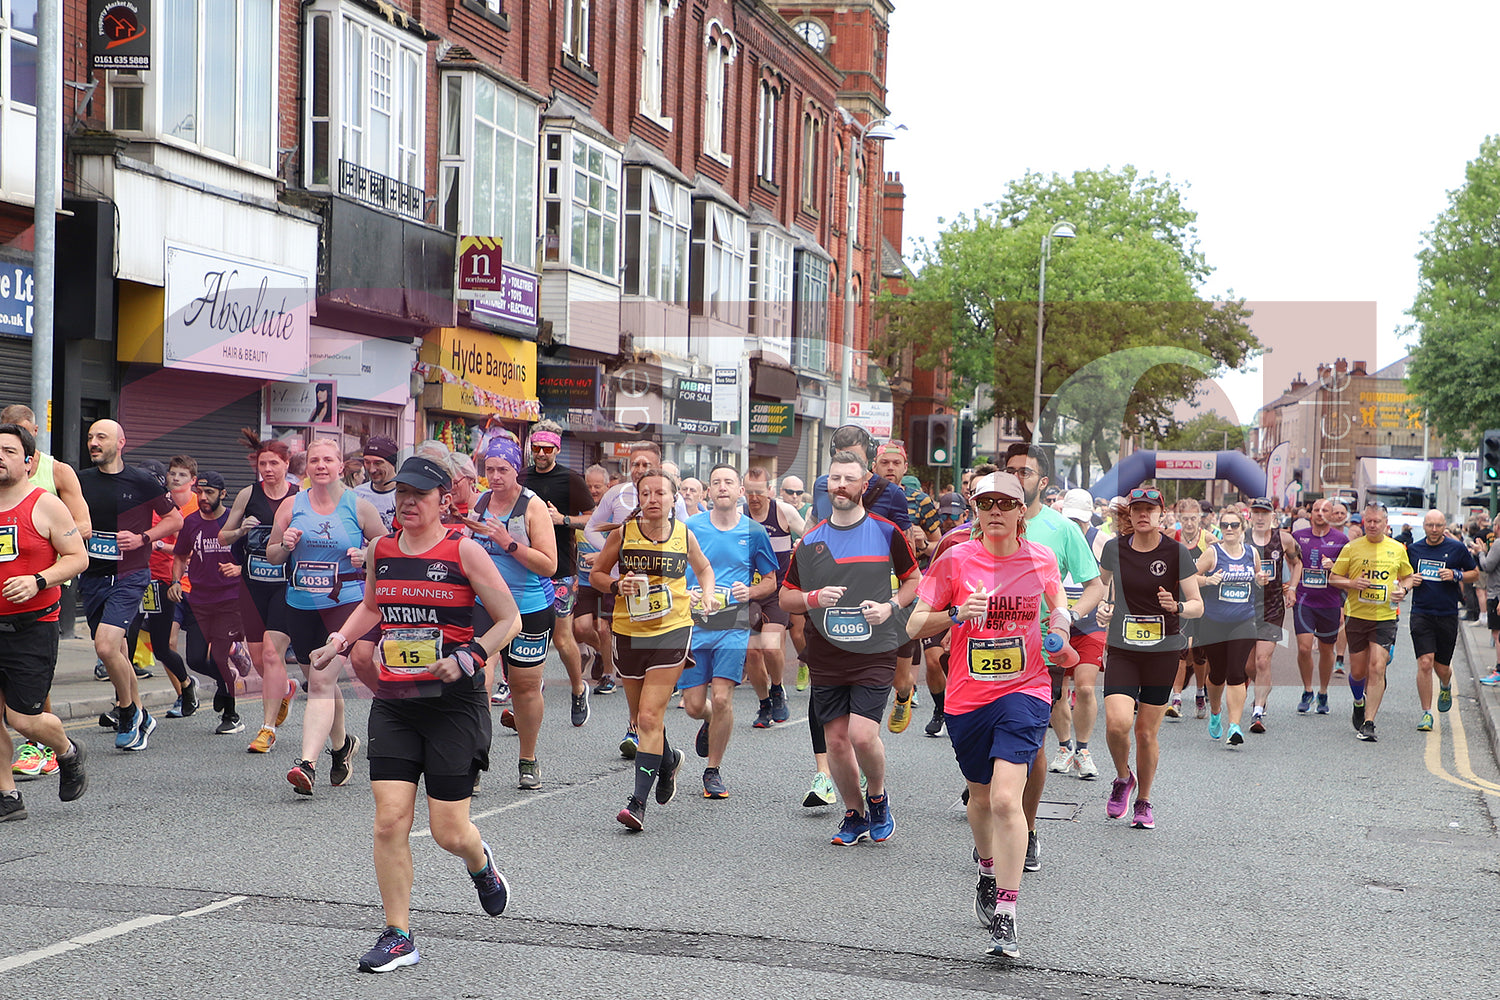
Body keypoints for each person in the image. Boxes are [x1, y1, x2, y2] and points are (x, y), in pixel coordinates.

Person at [307, 456, 521, 973]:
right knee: (388, 822)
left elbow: (509, 619)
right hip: (397, 702)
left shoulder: (464, 551)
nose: (407, 502)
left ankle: (481, 863)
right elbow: (374, 607)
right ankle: (398, 935)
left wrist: (469, 656)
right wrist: (338, 642)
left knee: (449, 830)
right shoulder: (381, 549)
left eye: (419, 494)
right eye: (402, 492)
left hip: (453, 706)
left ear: (443, 501)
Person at [907, 472, 1073, 959]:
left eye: (1006, 503)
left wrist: (1059, 633)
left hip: (1026, 689)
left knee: (1005, 800)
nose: (995, 511)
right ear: (975, 511)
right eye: (986, 504)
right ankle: (985, 868)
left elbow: (1059, 606)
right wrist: (957, 614)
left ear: (1022, 511)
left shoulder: (1041, 557)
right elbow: (916, 623)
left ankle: (1007, 914)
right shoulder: (956, 559)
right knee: (979, 799)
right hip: (967, 696)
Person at [781, 450, 919, 846]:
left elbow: (914, 581)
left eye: (849, 479)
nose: (840, 485)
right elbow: (787, 596)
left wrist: (890, 606)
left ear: (864, 485)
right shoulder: (811, 541)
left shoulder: (885, 531)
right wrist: (814, 598)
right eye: (834, 479)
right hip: (826, 651)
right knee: (837, 741)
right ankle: (854, 813)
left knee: (861, 735)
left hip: (874, 648)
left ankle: (878, 798)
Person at [590, 466, 715, 831]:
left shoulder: (683, 533)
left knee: (648, 717)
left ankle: (637, 804)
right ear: (638, 499)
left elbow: (704, 569)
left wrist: (706, 595)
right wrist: (617, 587)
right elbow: (598, 575)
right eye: (646, 494)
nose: (652, 500)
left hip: (672, 630)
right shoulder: (624, 534)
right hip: (629, 632)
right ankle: (668, 759)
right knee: (642, 718)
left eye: (660, 493)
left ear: (672, 497)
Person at [1001, 445, 1103, 870]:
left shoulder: (1062, 529)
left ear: (1043, 482)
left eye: (1025, 472)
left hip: (1039, 649)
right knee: (986, 737)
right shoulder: (985, 521)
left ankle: (1026, 829)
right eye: (1009, 471)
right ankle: (994, 815)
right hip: (985, 647)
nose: (1016, 477)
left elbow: (1093, 585)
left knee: (1031, 740)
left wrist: (1066, 619)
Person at [267, 438, 386, 793]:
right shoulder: (291, 506)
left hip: (345, 605)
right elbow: (272, 555)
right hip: (301, 605)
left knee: (320, 682)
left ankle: (307, 764)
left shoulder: (359, 507)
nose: (321, 466)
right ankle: (341, 746)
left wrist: (365, 555)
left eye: (328, 460)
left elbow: (388, 553)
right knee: (320, 682)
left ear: (341, 466)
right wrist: (285, 545)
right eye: (315, 460)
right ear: (307, 468)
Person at [1094, 487, 1203, 830]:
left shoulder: (1176, 552)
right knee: (1117, 723)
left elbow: (1197, 604)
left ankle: (1144, 801)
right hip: (1123, 649)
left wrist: (1178, 607)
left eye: (1150, 509)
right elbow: (1100, 589)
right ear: (1130, 514)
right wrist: (1102, 607)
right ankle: (1123, 777)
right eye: (1137, 509)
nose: (1143, 514)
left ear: (1160, 514)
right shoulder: (1114, 549)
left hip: (1163, 651)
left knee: (1145, 733)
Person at [0, 422, 91, 820]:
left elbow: (78, 557)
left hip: (31, 626)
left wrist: (38, 579)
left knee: (24, 719)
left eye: (7, 451)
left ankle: (68, 751)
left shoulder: (45, 503)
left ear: (28, 460)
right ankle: (8, 794)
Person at [77, 419, 184, 751]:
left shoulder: (141, 481)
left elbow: (175, 519)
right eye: (91, 437)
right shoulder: (80, 481)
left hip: (130, 575)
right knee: (117, 651)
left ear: (121, 442)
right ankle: (140, 713)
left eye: (102, 437)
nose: (94, 442)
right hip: (93, 575)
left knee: (106, 647)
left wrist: (142, 538)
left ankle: (126, 711)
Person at [465, 431, 558, 790]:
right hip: (485, 604)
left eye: (503, 469)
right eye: (490, 469)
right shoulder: (481, 502)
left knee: (524, 686)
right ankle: (474, 760)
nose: (496, 477)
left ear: (517, 469)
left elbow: (549, 565)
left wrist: (508, 542)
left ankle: (528, 758)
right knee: (478, 681)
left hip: (530, 606)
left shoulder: (532, 506)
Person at [585, 441, 689, 754]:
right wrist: (609, 567)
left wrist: (696, 593)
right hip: (629, 614)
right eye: (635, 465)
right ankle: (654, 745)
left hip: (671, 622)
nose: (639, 469)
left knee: (649, 711)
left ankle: (641, 776)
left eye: (646, 464)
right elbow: (593, 530)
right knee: (642, 710)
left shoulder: (678, 516)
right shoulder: (618, 501)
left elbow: (694, 557)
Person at [683, 464, 779, 798]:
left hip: (732, 624)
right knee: (695, 705)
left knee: (722, 697)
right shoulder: (689, 527)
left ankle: (713, 771)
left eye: (729, 482)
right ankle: (709, 720)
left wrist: (749, 593)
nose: (722, 487)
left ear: (740, 490)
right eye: (716, 482)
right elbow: (673, 572)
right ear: (708, 492)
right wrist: (687, 591)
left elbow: (771, 581)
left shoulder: (754, 532)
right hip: (693, 623)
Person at [219, 431, 301, 748]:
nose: (267, 469)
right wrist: (242, 529)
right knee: (257, 659)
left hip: (286, 585)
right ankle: (285, 689)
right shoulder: (247, 495)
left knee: (271, 652)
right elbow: (223, 538)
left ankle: (267, 729)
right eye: (262, 464)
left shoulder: (298, 497)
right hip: (252, 584)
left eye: (273, 463)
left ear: (286, 464)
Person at [520, 419, 596, 729]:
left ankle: (578, 689)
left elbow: (592, 519)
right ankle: (526, 687)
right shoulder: (521, 477)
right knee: (522, 632)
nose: (540, 454)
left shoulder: (571, 480)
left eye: (546, 449)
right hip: (525, 565)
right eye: (536, 448)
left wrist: (562, 518)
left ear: (557, 449)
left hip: (561, 568)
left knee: (563, 639)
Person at [1329, 503, 1418, 742]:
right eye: (1368, 521)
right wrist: (1351, 584)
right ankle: (1359, 701)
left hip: (1385, 617)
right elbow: (1334, 577)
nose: (1372, 525)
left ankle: (1369, 722)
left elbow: (1408, 576)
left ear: (1386, 524)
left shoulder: (1397, 549)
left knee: (1377, 666)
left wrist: (1404, 589)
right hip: (1357, 615)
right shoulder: (1351, 548)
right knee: (1358, 671)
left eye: (1377, 521)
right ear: (1363, 522)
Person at [170, 471, 247, 735]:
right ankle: (226, 679)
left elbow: (250, 557)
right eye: (200, 492)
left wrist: (239, 570)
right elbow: (179, 556)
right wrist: (176, 581)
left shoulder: (233, 522)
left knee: (218, 655)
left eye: (210, 493)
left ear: (223, 494)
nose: (203, 497)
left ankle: (232, 715)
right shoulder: (191, 522)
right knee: (194, 659)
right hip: (199, 599)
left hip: (229, 599)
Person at [874, 443, 941, 734]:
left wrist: (923, 544)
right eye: (884, 462)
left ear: (904, 467)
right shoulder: (865, 496)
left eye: (895, 463)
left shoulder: (919, 500)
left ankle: (903, 695)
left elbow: (939, 544)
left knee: (902, 677)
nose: (890, 468)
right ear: (874, 466)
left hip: (909, 583)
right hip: (870, 584)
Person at [1194, 509, 1271, 747]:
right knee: (1217, 673)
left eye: (1234, 525)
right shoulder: (1212, 553)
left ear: (1242, 529)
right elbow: (1187, 577)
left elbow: (1258, 579)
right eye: (1225, 524)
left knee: (1236, 673)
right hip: (1214, 622)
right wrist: (1207, 580)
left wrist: (1260, 581)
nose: (1229, 529)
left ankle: (1234, 726)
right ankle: (1216, 712)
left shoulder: (1251, 552)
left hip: (1243, 621)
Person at [1050, 488, 1107, 780]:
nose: (1076, 525)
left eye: (1082, 520)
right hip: (1056, 623)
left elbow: (1109, 581)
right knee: (1057, 692)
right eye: (1071, 518)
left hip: (1090, 624)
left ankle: (1083, 750)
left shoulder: (1101, 541)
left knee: (1085, 687)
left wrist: (1108, 605)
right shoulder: (1053, 533)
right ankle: (1064, 746)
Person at [743, 467, 805, 728]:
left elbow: (810, 535)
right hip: (748, 592)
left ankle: (777, 689)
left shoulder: (783, 512)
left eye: (759, 492)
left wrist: (802, 545)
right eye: (749, 492)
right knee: (752, 653)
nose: (754, 498)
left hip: (777, 591)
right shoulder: (738, 516)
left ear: (769, 490)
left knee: (769, 645)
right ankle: (764, 703)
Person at [1404, 509, 1475, 729]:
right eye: (1429, 525)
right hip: (1421, 613)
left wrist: (1457, 575)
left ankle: (1445, 684)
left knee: (1441, 667)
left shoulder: (1457, 548)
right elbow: (1403, 575)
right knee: (1425, 663)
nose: (1434, 530)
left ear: (1445, 526)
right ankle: (1426, 713)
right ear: (1423, 526)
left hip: (1447, 614)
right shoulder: (1414, 550)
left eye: (1438, 525)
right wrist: (1410, 580)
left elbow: (1475, 573)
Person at [1246, 497, 1301, 732]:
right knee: (1247, 665)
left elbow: (1297, 564)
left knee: (1262, 659)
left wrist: (1293, 589)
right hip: (1244, 607)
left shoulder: (1284, 539)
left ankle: (1258, 710)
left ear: (1272, 516)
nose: (1260, 517)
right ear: (1250, 515)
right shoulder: (1240, 538)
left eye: (1264, 513)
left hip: (1272, 606)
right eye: (1256, 513)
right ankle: (1262, 686)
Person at [1290, 498, 1349, 715]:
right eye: (1316, 510)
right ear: (1310, 513)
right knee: (1304, 647)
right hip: (1304, 600)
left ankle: (1323, 691)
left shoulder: (1341, 540)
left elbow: (1348, 573)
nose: (1320, 513)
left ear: (1332, 515)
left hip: (1329, 602)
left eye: (1325, 510)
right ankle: (1307, 690)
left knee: (1326, 649)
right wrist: (1290, 586)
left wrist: (1334, 567)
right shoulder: (1299, 537)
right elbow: (1291, 562)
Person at [572, 464, 617, 696]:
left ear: (607, 487)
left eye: (597, 486)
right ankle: (600, 652)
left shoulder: (613, 513)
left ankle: (609, 674)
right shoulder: (577, 514)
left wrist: (600, 557)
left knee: (602, 626)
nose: (592, 490)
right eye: (588, 486)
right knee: (580, 628)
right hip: (584, 581)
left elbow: (622, 547)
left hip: (607, 580)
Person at [1167, 498, 1212, 720]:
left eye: (1193, 518)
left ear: (1200, 518)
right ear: (1179, 520)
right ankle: (1176, 699)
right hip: (1180, 603)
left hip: (1203, 603)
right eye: (1185, 519)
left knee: (1201, 654)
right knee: (1180, 650)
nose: (1189, 523)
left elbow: (1223, 559)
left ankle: (1200, 693)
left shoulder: (1209, 540)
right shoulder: (1172, 537)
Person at [355, 436, 400, 532]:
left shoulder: (405, 495)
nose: (372, 469)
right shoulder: (357, 494)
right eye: (367, 462)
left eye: (378, 463)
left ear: (392, 463)